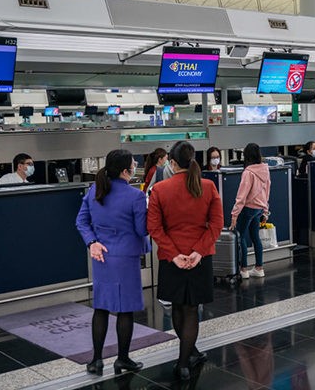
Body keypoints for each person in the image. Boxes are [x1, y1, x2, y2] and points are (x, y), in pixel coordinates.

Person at [147, 141, 224, 381]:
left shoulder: (160, 189)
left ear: (172, 163)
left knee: (178, 307)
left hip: (173, 259)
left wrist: (174, 254)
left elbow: (154, 228)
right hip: (199, 259)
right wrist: (199, 252)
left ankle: (184, 360)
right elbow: (217, 224)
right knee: (191, 309)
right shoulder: (208, 186)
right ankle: (187, 358)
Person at [76, 149, 149, 376]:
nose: (136, 164)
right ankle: (122, 359)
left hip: (102, 257)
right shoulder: (135, 196)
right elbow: (141, 229)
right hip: (125, 258)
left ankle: (96, 361)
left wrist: (92, 243)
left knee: (101, 308)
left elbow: (81, 221)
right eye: (133, 162)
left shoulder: (95, 190)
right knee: (125, 311)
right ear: (126, 170)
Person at [230, 143, 271, 279]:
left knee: (241, 236)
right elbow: (267, 191)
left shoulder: (248, 172)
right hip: (259, 209)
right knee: (255, 237)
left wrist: (234, 214)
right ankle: (259, 268)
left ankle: (244, 269)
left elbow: (241, 196)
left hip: (248, 209)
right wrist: (265, 209)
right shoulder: (265, 169)